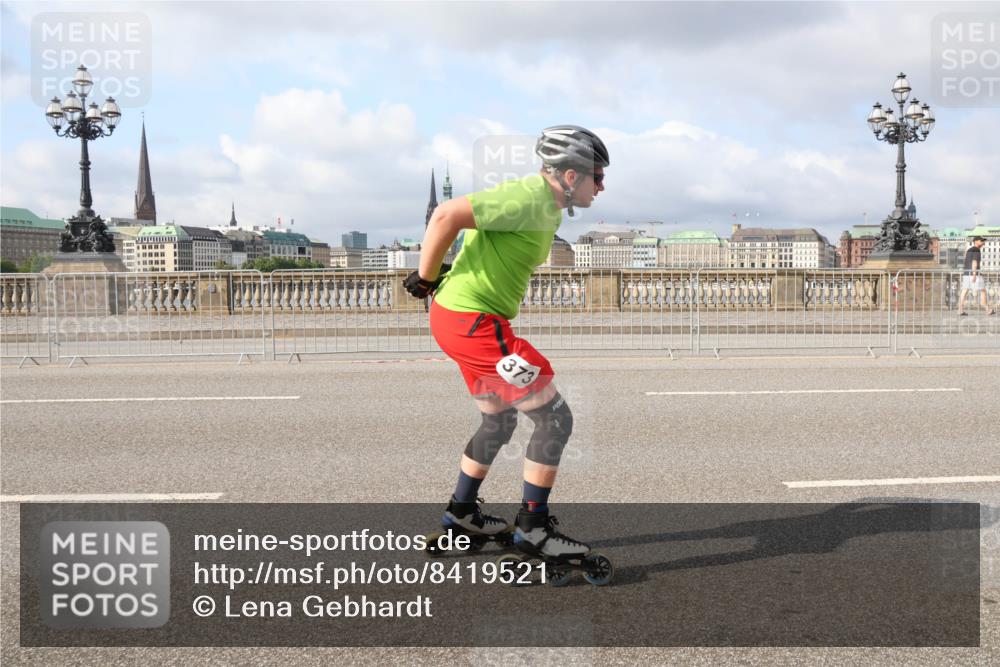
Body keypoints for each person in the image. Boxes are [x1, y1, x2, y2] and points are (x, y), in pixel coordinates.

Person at [404, 125, 608, 561]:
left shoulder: (548, 206)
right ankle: (533, 530)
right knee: (555, 419)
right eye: (598, 175)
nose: (602, 185)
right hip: (474, 324)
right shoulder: (530, 197)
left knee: (498, 422)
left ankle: (461, 515)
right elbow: (445, 216)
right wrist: (425, 276)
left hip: (461, 320)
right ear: (571, 177)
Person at [957, 236, 995, 316]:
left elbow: (966, 261)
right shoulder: (976, 250)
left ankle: (960, 310)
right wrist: (974, 274)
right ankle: (987, 309)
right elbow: (974, 262)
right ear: (976, 241)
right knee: (983, 291)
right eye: (981, 241)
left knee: (964, 291)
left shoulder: (969, 250)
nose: (983, 243)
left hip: (966, 273)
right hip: (974, 274)